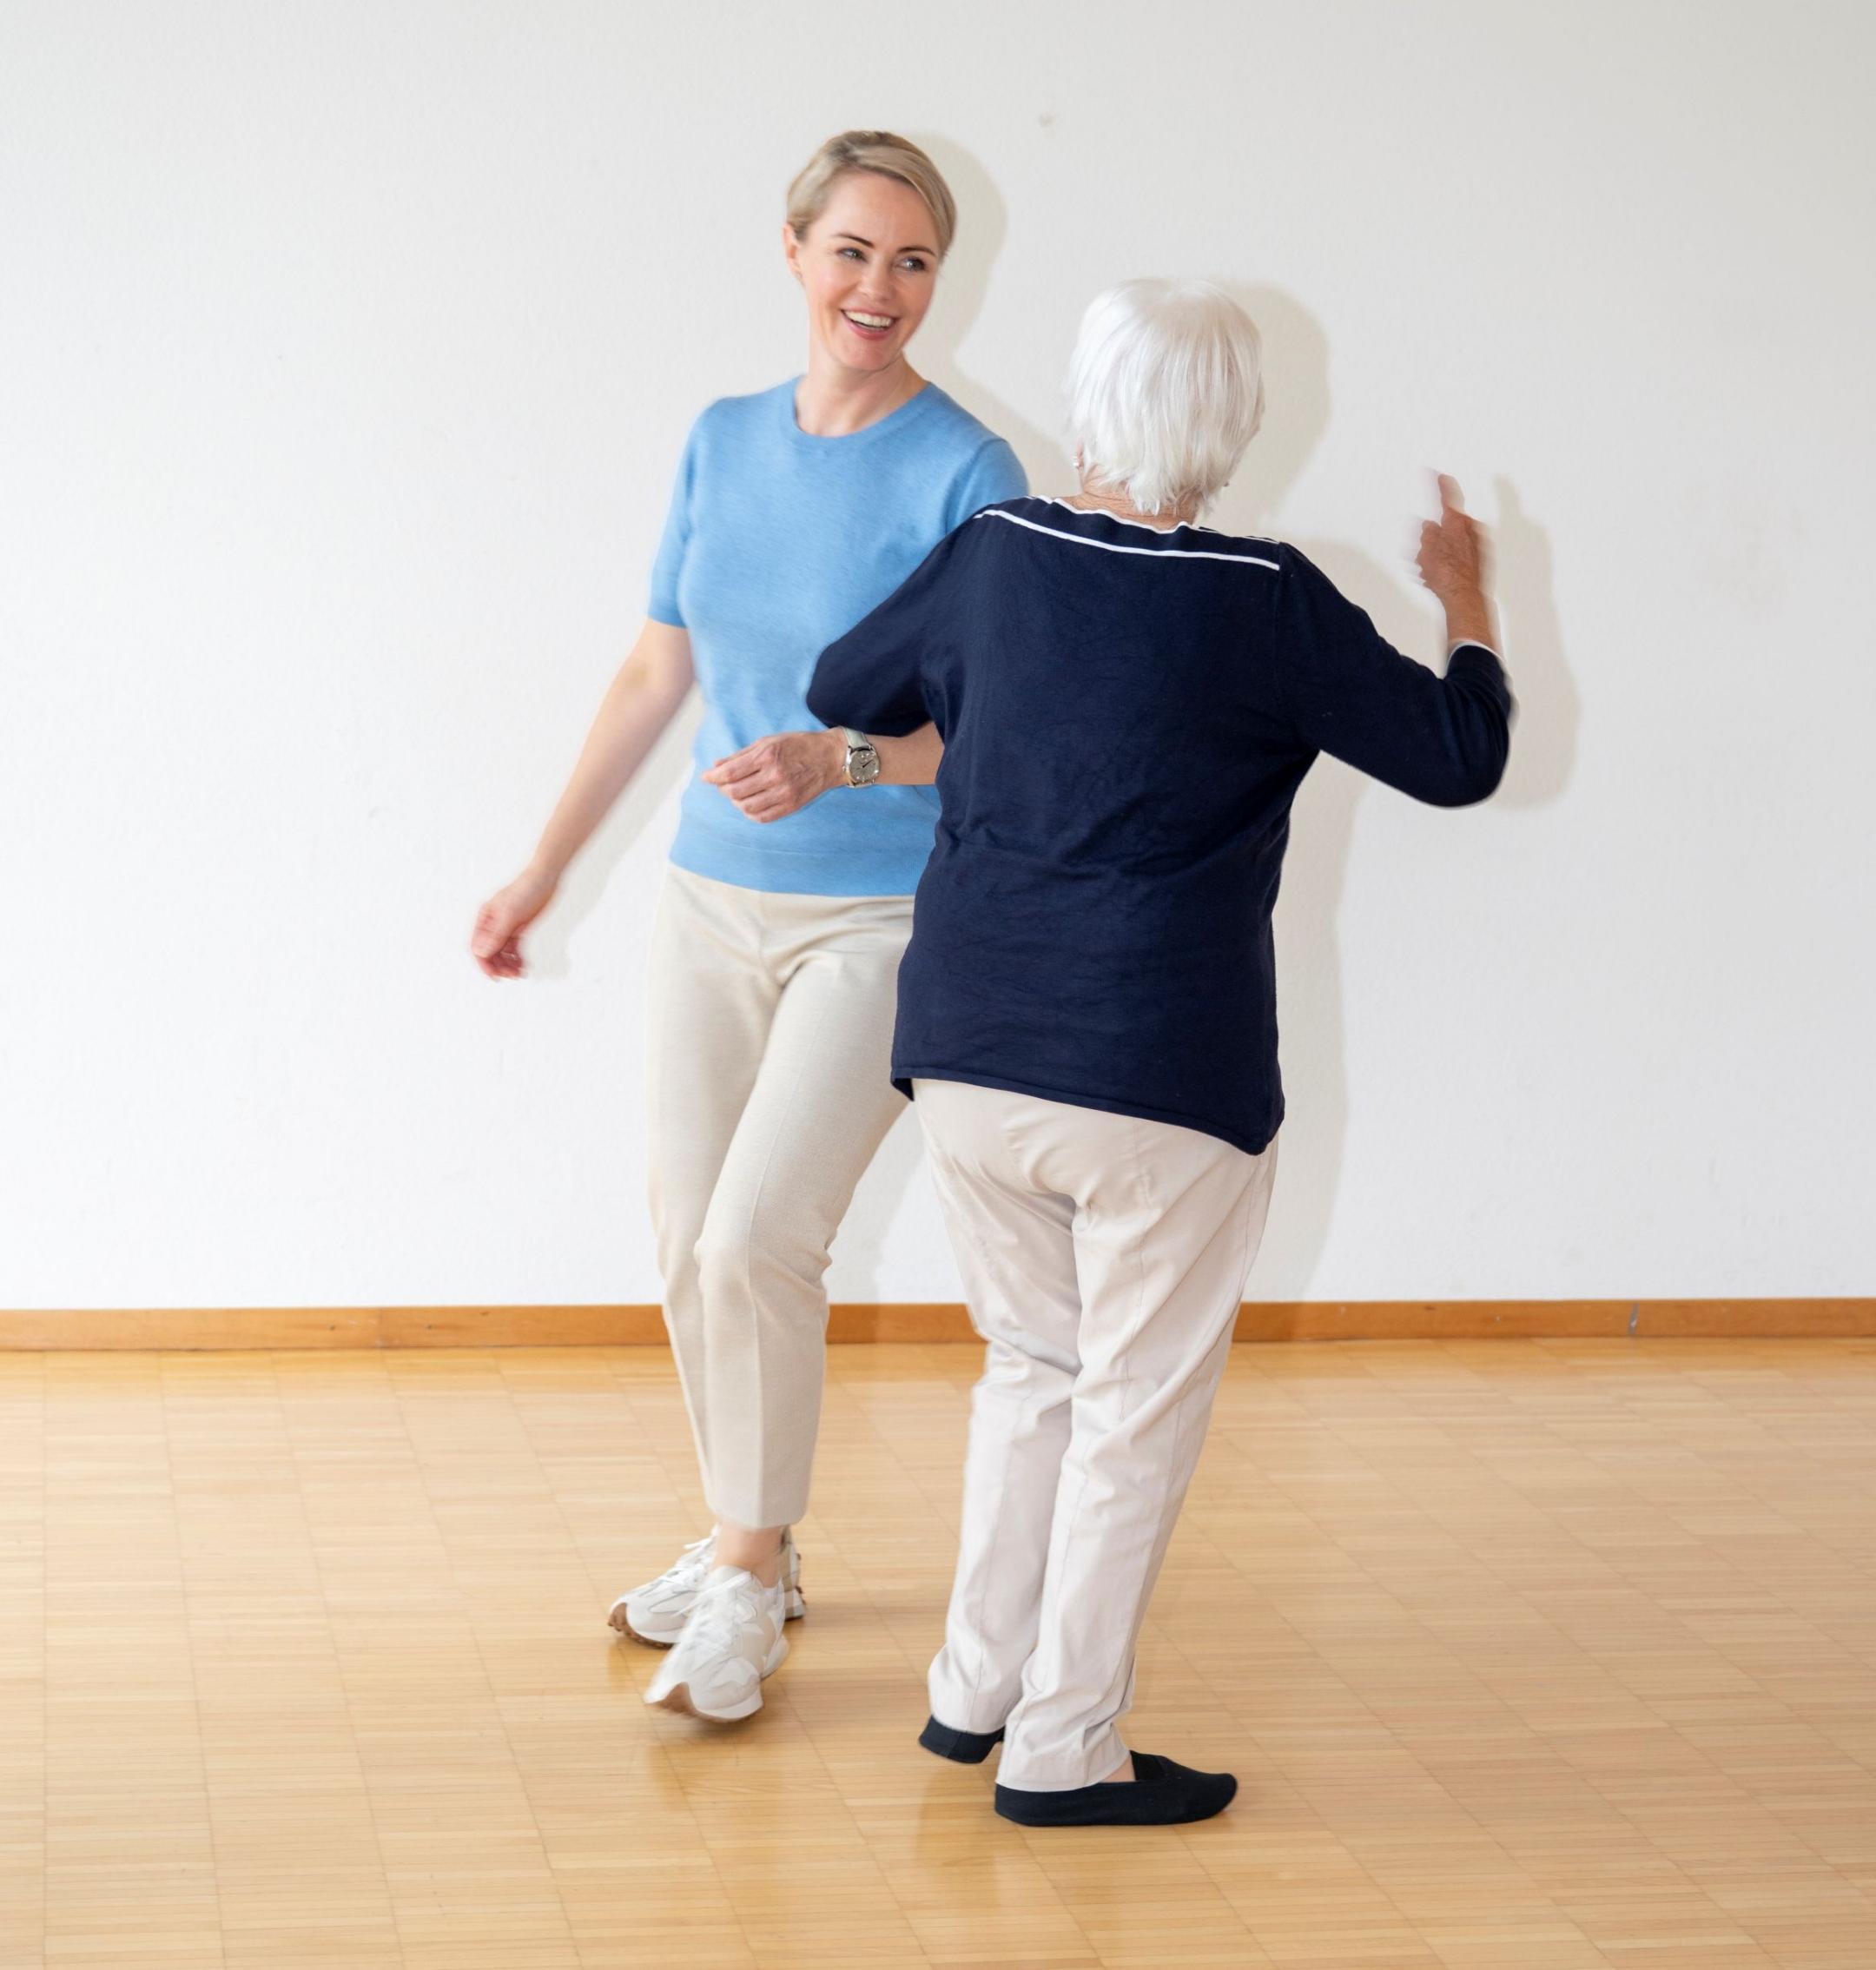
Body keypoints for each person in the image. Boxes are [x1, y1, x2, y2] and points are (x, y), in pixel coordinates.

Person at [804, 279, 1513, 1824]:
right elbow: (1463, 756)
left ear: (1090, 404)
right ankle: (1064, 1752)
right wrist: (1466, 599)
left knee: (1031, 1373)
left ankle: (972, 1695)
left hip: (971, 1051)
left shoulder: (998, 552)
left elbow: (840, 687)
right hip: (1160, 1077)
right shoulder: (1266, 598)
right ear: (1235, 428)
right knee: (1128, 1409)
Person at [468, 131, 1026, 1723]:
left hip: (882, 915)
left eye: (914, 262)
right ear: (794, 252)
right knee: (683, 1237)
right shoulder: (720, 440)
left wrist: (843, 758)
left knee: (756, 1238)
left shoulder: (970, 474)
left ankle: (743, 1571)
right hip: (710, 898)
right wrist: (545, 867)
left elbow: (1004, 730)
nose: (881, 288)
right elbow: (657, 669)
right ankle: (750, 1552)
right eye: (853, 251)